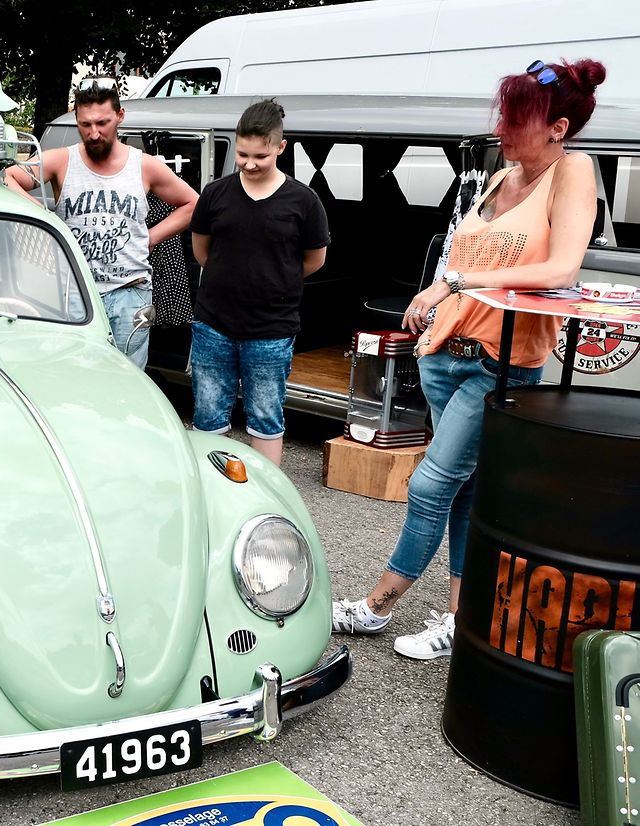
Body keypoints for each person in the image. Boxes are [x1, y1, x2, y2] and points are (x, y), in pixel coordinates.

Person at [332, 58, 606, 660]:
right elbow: (463, 258)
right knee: (462, 489)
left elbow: (562, 268)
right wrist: (433, 291)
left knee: (430, 484)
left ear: (558, 128)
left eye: (516, 118)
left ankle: (378, 604)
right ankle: (464, 614)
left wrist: (452, 282)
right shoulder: (497, 176)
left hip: (502, 361)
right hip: (444, 352)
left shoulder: (572, 171)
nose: (501, 127)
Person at [5, 78, 197, 367]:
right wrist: (46, 217)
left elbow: (193, 203)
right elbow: (5, 178)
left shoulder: (143, 165)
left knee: (128, 378)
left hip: (130, 291)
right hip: (75, 291)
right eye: (85, 124)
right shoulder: (61, 161)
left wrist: (151, 237)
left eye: (102, 123)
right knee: (74, 373)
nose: (94, 133)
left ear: (120, 117)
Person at [188, 98, 329, 467]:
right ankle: (212, 490)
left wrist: (275, 278)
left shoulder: (304, 200)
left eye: (260, 157)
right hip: (213, 324)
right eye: (242, 154)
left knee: (265, 416)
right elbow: (202, 250)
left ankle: (267, 496)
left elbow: (315, 260)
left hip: (271, 329)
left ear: (280, 147)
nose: (249, 164)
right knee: (208, 414)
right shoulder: (216, 193)